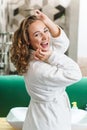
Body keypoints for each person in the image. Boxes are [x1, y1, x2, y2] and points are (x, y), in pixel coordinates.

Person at [10, 9, 82, 130]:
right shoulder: (37, 68)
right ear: (28, 40)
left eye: (45, 30)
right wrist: (51, 56)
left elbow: (63, 43)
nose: (45, 37)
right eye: (37, 34)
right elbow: (75, 74)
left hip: (44, 117)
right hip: (48, 122)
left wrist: (46, 21)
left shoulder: (39, 53)